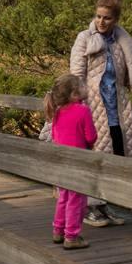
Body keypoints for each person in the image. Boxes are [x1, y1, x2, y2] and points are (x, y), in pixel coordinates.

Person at [70, 0, 132, 228]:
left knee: (117, 154)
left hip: (117, 109)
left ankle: (107, 204)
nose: (101, 22)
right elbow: (76, 76)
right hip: (91, 106)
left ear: (116, 19)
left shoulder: (122, 43)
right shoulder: (84, 38)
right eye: (98, 16)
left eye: (107, 18)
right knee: (95, 155)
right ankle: (90, 207)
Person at [45, 74, 96, 250]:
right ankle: (72, 236)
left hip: (61, 161)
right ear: (74, 94)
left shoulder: (57, 112)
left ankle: (58, 231)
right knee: (77, 199)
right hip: (78, 161)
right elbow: (91, 136)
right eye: (82, 86)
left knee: (63, 197)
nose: (85, 88)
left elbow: (54, 136)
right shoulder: (83, 111)